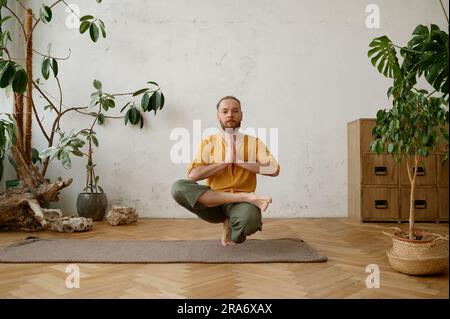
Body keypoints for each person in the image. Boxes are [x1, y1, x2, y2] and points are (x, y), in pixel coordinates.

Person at [171, 96, 280, 246]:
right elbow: (193, 175)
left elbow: (274, 169)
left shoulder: (254, 142)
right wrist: (224, 163)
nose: (230, 114)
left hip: (240, 207)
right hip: (214, 203)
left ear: (241, 115)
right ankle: (244, 198)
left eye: (235, 111)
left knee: (250, 223)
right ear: (218, 115)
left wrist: (239, 162)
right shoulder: (209, 142)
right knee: (178, 188)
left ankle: (233, 220)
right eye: (225, 111)